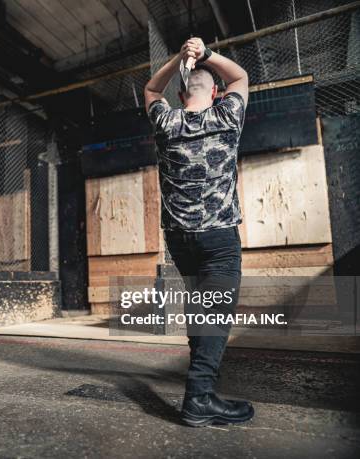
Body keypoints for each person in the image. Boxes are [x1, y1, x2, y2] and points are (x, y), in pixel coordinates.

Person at [144, 38, 253, 426]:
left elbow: (151, 89)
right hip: (219, 238)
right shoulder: (226, 117)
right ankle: (199, 399)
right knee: (215, 314)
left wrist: (178, 58)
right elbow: (240, 75)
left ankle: (202, 385)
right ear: (217, 93)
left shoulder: (166, 121)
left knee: (199, 309)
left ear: (180, 93)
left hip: (179, 239)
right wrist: (203, 55)